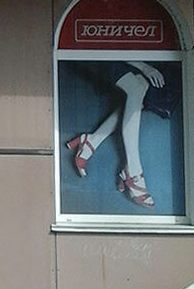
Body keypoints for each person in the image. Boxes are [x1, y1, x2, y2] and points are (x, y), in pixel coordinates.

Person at [66, 60, 165, 209]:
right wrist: (144, 67)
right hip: (97, 55)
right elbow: (114, 48)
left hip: (118, 56)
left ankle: (91, 141)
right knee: (137, 89)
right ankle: (134, 169)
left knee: (141, 89)